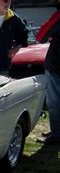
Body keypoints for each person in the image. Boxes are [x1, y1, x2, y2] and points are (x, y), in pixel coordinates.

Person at [36, 0, 60, 144]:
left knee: (54, 101)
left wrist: (53, 37)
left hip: (57, 64)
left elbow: (40, 36)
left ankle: (57, 134)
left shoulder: (58, 16)